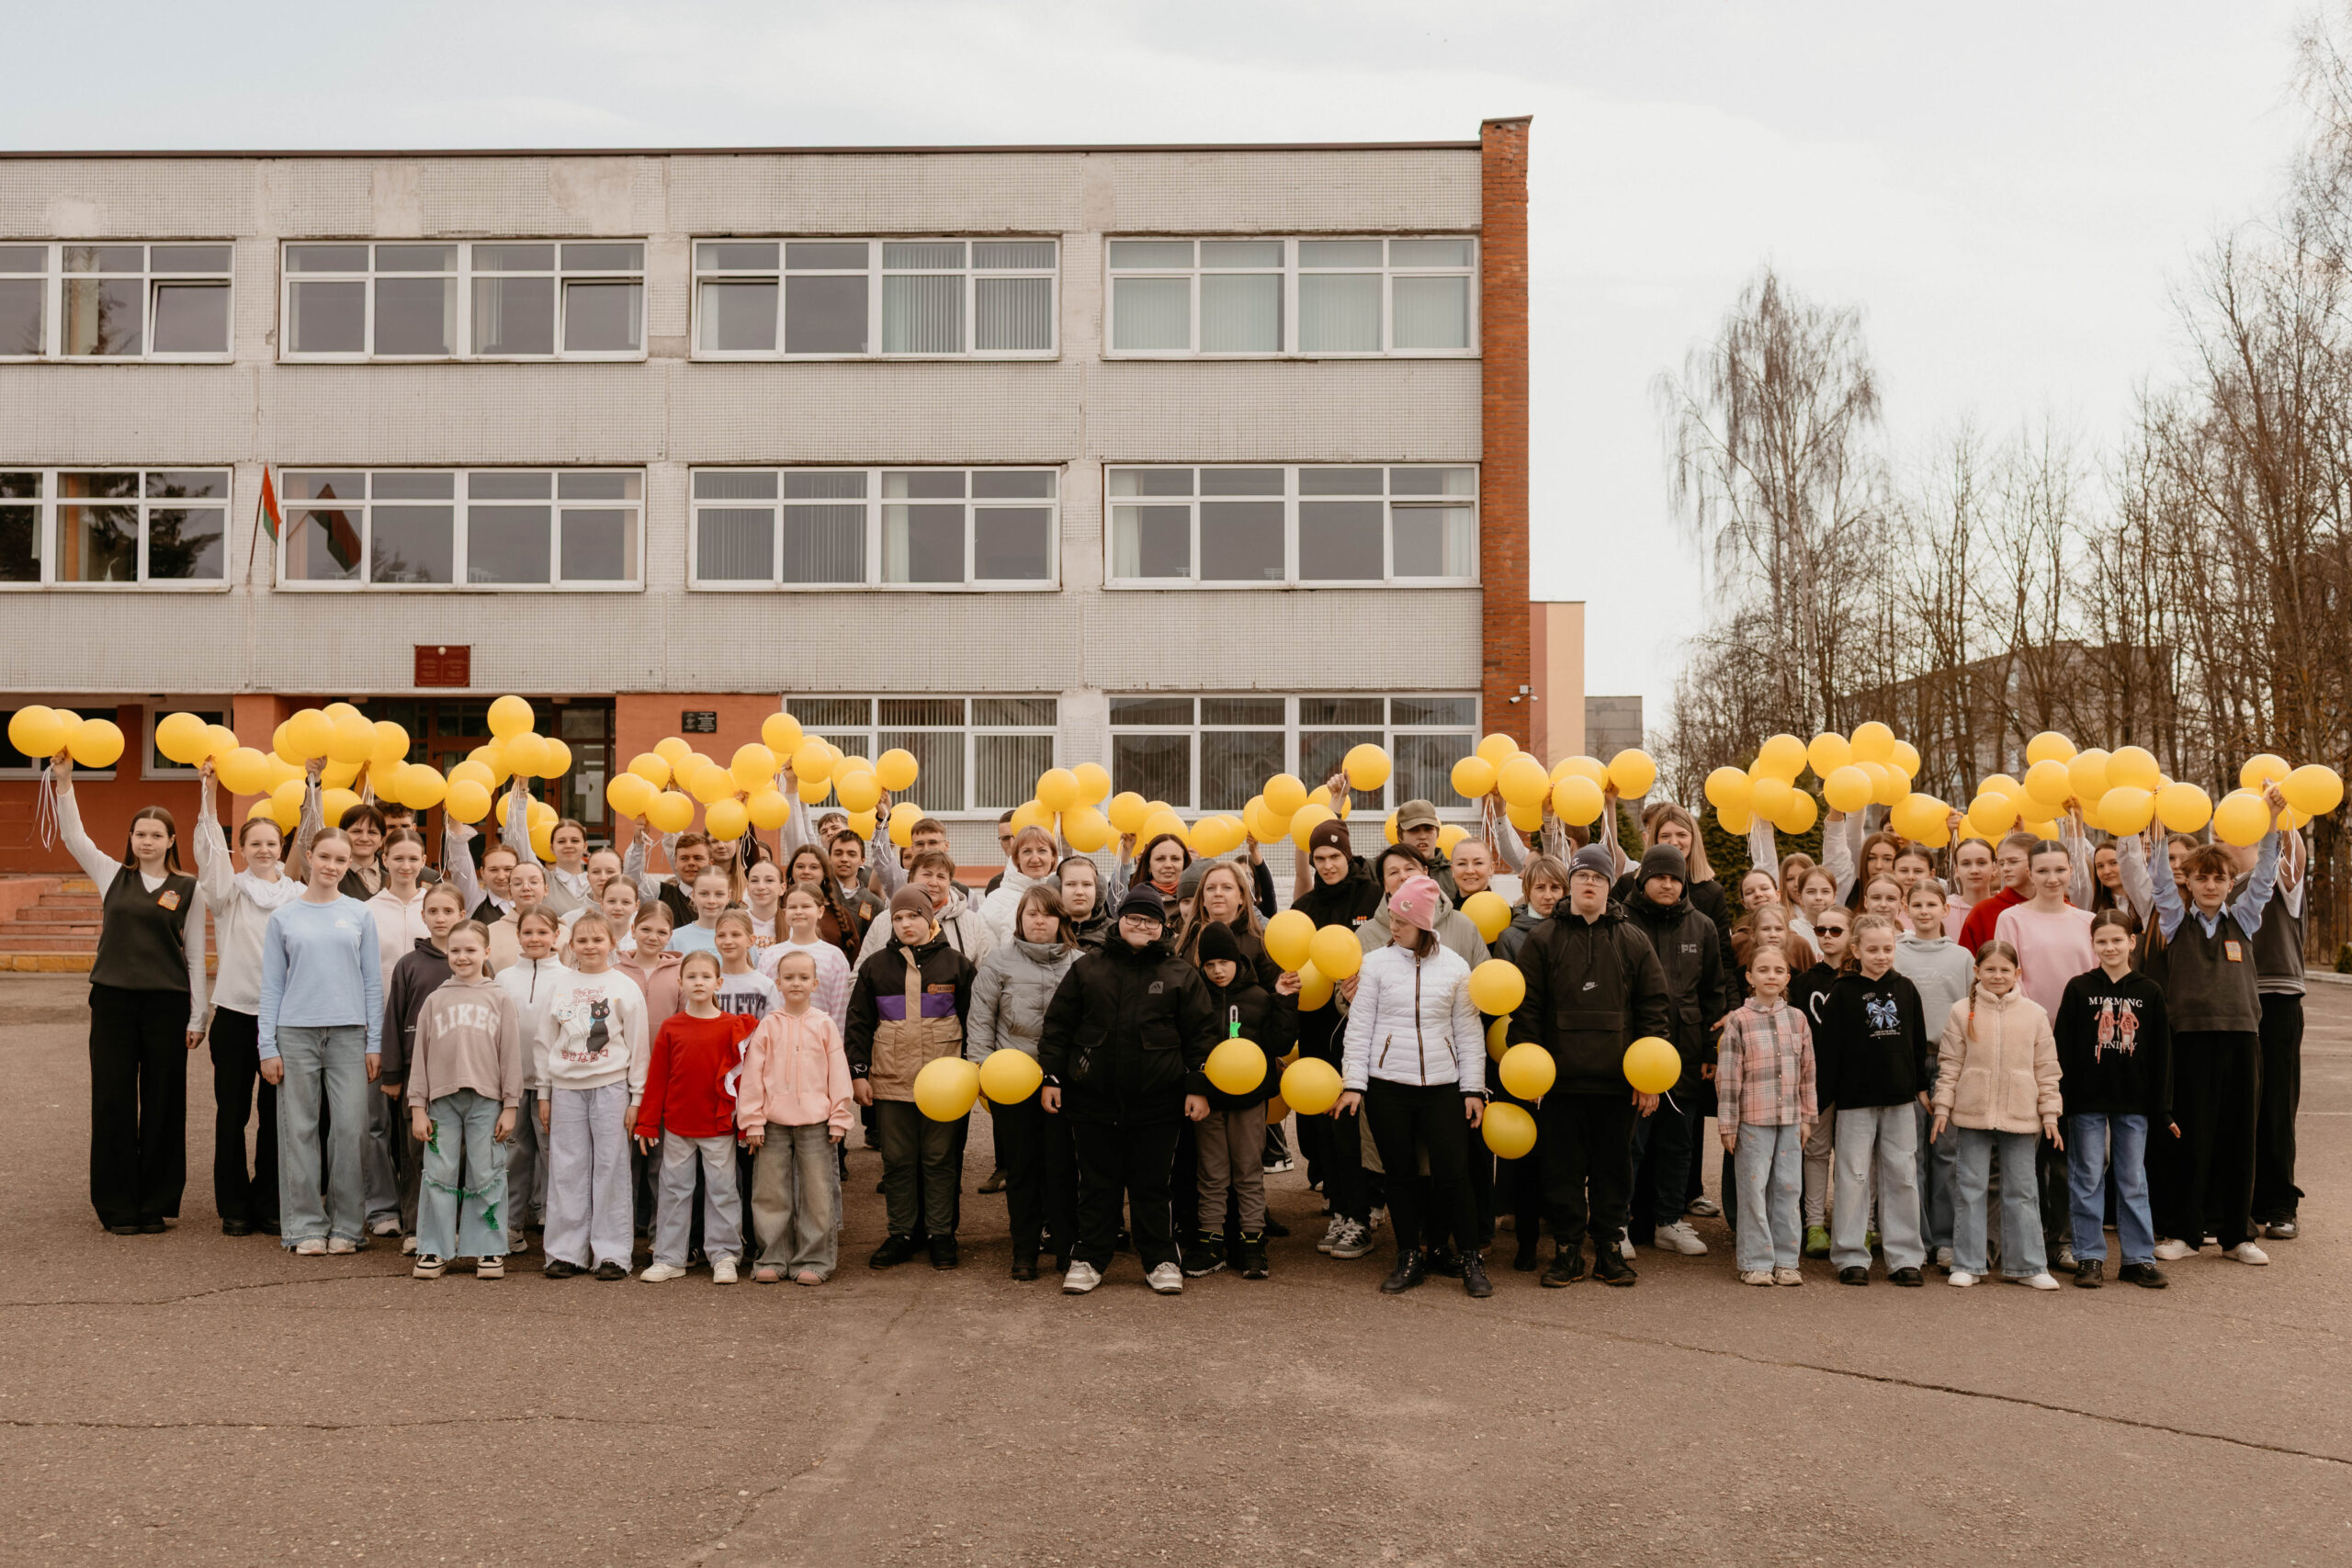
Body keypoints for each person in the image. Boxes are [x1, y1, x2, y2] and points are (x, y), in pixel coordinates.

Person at [49, 754, 207, 1236]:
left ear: (171, 841)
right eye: (141, 833)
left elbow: (197, 956)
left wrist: (199, 1016)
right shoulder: (110, 874)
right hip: (114, 1002)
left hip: (166, 1006)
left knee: (163, 1102)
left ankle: (154, 1202)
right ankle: (117, 1205)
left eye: (157, 834)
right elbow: (74, 835)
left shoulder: (189, 888)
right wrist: (65, 782)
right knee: (113, 1100)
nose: (148, 840)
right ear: (132, 839)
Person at [1039, 885, 1219, 1296]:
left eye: (1150, 920)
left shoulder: (1179, 973)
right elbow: (1058, 1027)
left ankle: (1160, 1259)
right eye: (1134, 918)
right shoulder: (1088, 967)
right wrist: (1052, 1077)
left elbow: (1201, 1036)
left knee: (1152, 1184)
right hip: (1092, 1099)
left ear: (1162, 926)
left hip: (1159, 1101)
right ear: (1119, 920)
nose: (1141, 926)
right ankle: (1089, 1257)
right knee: (1096, 1183)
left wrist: (1197, 1087)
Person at [1509, 844, 1670, 1288]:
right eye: (1582, 876)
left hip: (1617, 1083)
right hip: (1558, 1083)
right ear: (1572, 883)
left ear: (1607, 886)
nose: (1589, 884)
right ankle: (1566, 1251)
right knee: (1560, 1169)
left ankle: (1607, 1250)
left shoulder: (1632, 938)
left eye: (1598, 878)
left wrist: (1650, 1077)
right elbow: (1527, 1010)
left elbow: (1654, 1009)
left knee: (1613, 1170)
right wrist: (1529, 1069)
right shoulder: (1544, 938)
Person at [2143, 789, 2285, 1266]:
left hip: (2241, 1036)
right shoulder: (2174, 920)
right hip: (2189, 1040)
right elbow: (2160, 881)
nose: (2209, 885)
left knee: (2239, 1135)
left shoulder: (2243, 920)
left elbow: (2265, 877)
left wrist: (2272, 822)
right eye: (2200, 877)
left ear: (2229, 884)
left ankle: (2237, 1235)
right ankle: (2184, 1230)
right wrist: (2157, 830)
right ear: (2190, 881)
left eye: (2218, 878)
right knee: (2191, 1135)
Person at [1334, 875, 1490, 1297]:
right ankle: (1408, 1257)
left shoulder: (1456, 967)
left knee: (1454, 1175)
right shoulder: (1374, 965)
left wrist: (1473, 1090)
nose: (1392, 925)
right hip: (1389, 1088)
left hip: (1443, 1086)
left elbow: (1469, 1033)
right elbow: (1360, 1027)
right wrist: (1354, 1084)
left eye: (1400, 920)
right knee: (1399, 1176)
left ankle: (1470, 1258)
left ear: (1421, 923)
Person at [258, 828, 381, 1256]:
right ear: (309, 857)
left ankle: (348, 1226)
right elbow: (272, 986)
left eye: (341, 860)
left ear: (349, 864)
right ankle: (304, 1225)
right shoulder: (284, 917)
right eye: (324, 857)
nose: (331, 866)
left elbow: (371, 982)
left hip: (349, 1034)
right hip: (295, 1034)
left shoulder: (360, 914)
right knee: (299, 1131)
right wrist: (267, 1046)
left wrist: (375, 1042)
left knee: (349, 1131)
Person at [192, 768, 304, 1235]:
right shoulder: (227, 892)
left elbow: (315, 836)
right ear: (241, 849)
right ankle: (234, 1206)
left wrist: (312, 790)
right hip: (237, 1017)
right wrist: (210, 793)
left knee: (278, 1118)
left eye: (271, 843)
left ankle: (271, 1203)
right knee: (233, 1114)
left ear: (282, 849)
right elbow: (210, 853)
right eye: (254, 843)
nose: (263, 850)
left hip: (284, 1021)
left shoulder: (297, 894)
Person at [846, 886, 979, 1269]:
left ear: (930, 918)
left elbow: (975, 1021)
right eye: (899, 917)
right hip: (890, 1080)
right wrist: (858, 1074)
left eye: (914, 916)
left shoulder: (956, 964)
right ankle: (901, 1233)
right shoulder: (875, 966)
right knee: (899, 1160)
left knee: (939, 1159)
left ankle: (941, 1234)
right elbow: (857, 1024)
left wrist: (973, 1067)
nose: (906, 923)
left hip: (946, 1085)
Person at [1930, 940, 2063, 1290]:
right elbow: (1950, 1064)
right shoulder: (1961, 1011)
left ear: (2017, 973)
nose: (1997, 975)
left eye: (2005, 970)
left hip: (2021, 1115)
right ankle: (1968, 1263)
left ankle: (2029, 1264)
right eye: (1990, 969)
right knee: (1970, 1187)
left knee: (2022, 1190)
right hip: (1972, 1114)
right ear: (1977, 973)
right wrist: (1942, 1106)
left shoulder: (2035, 1014)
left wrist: (2050, 1113)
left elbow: (2047, 1069)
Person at [967, 884, 1084, 1278]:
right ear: (1019, 919)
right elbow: (981, 1021)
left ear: (1061, 920)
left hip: (1065, 1083)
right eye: (1031, 914)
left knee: (1063, 1168)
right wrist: (981, 1070)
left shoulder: (1081, 964)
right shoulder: (998, 963)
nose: (1039, 921)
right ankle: (1024, 1250)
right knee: (1021, 1169)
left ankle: (1068, 1247)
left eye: (1048, 914)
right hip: (1012, 1082)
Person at [2053, 908, 2173, 1289]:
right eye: (2102, 941)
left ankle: (2138, 1258)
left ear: (2131, 943)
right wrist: (2061, 1098)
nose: (2110, 947)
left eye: (2117, 940)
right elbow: (2064, 1048)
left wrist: (2162, 1105)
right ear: (2093, 945)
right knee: (2087, 1176)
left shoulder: (2149, 991)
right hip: (2086, 1101)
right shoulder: (2078, 988)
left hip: (2134, 1102)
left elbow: (2161, 1054)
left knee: (2133, 1178)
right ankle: (2089, 1256)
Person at [1619, 844, 1727, 1258]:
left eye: (1675, 877)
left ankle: (1668, 1221)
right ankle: (1620, 1223)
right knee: (1632, 1141)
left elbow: (1713, 992)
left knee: (1678, 1142)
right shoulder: (1621, 920)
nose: (1667, 884)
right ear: (1643, 878)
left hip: (1685, 1050)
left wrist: (1710, 1051)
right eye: (1659, 876)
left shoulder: (1701, 926)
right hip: (1636, 1053)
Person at [1814, 913, 1930, 1285]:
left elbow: (1917, 1043)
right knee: (1853, 1175)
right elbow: (1829, 1052)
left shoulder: (1907, 989)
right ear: (1856, 950)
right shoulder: (1843, 992)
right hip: (1855, 1101)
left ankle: (1905, 1257)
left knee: (1903, 1175)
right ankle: (1850, 1256)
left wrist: (1921, 1086)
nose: (1881, 956)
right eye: (1873, 949)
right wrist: (1821, 1101)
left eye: (1888, 948)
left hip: (1899, 1100)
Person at [404, 920, 523, 1280]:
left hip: (487, 1102)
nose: (462, 956)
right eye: (455, 950)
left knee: (487, 1174)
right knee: (438, 1175)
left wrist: (510, 1105)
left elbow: (510, 1054)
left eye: (471, 950)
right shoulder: (436, 999)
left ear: (486, 952)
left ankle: (487, 1249)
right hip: (441, 1102)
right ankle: (434, 1248)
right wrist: (418, 1108)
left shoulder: (499, 997)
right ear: (447, 953)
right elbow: (420, 1057)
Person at [536, 911, 650, 1280]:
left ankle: (613, 1253)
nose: (589, 946)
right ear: (571, 945)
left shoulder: (624, 986)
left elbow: (637, 1045)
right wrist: (544, 1092)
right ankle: (565, 1251)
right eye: (582, 940)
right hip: (567, 1087)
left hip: (611, 1086)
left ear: (612, 944)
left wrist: (637, 1097)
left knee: (612, 1167)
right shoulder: (559, 984)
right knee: (566, 1169)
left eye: (597, 940)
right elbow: (544, 1042)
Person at [637, 950, 760, 1284]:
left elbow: (745, 1080)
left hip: (718, 1126)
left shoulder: (732, 1027)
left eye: (706, 976)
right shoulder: (671, 1027)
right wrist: (647, 1122)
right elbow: (658, 1077)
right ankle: (670, 1257)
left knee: (723, 1190)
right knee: (674, 1190)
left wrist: (748, 1123)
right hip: (678, 1125)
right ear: (681, 983)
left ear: (718, 982)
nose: (699, 982)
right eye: (692, 977)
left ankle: (724, 1255)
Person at [1292, 819, 1384, 1260]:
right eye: (1320, 859)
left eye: (1335, 857)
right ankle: (1341, 1211)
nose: (1328, 865)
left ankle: (1362, 1214)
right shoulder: (1306, 905)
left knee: (1354, 1125)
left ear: (1348, 856)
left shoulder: (1374, 895)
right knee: (1326, 1126)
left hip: (1360, 1029)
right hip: (1316, 1031)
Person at [1189, 920, 1300, 1280]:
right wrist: (1199, 1088)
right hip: (1210, 1103)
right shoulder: (1195, 998)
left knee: (1249, 1173)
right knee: (1212, 1174)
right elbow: (1190, 1049)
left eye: (1224, 962)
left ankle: (1253, 1243)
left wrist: (1284, 999)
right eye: (1209, 965)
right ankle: (1210, 1243)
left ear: (1237, 959)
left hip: (1250, 1101)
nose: (1217, 970)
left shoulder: (1257, 997)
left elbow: (1279, 1043)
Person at [740, 949, 854, 1284]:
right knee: (770, 1192)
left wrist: (839, 1116)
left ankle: (815, 1259)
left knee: (817, 1193)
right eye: (789, 977)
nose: (796, 983)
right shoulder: (768, 1026)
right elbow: (752, 1076)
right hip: (773, 1124)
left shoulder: (824, 1024)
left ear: (815, 983)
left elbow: (838, 1072)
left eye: (804, 978)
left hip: (817, 1123)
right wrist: (752, 1120)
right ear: (777, 982)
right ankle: (773, 1256)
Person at [1715, 942, 1815, 1285]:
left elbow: (1808, 1072)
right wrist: (1728, 1125)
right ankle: (1756, 1261)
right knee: (1753, 1191)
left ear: (1787, 977)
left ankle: (1787, 1261)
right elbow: (1728, 1076)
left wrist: (1807, 1117)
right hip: (1752, 1122)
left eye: (1777, 970)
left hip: (1789, 1120)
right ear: (1749, 977)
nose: (1770, 976)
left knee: (1788, 1190)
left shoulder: (1798, 1019)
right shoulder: (1739, 1021)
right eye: (1763, 970)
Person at [377, 879, 470, 1246]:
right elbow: (395, 1019)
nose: (441, 917)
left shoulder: (475, 961)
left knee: (460, 1153)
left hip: (465, 1074)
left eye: (448, 911)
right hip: (418, 1077)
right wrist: (392, 1073)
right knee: (417, 1151)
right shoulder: (409, 964)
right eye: (433, 911)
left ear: (462, 915)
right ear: (423, 916)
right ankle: (418, 1227)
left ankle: (459, 1227)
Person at [1894, 879, 1973, 1270]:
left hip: (1948, 1060)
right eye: (1917, 904)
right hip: (1906, 1059)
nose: (1924, 911)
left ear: (1946, 909)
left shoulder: (1961, 957)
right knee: (1911, 1154)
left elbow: (1972, 1011)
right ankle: (1915, 1239)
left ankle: (1945, 1240)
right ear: (1905, 909)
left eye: (1932, 904)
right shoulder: (1894, 953)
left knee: (1947, 1152)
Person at [2246, 822, 2309, 1241]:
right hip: (2233, 1003)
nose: (2219, 840)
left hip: (2278, 998)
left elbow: (2297, 862)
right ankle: (2245, 1199)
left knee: (2276, 1104)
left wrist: (2281, 820)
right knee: (2241, 1105)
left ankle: (2281, 1203)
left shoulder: (2277, 882)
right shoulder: (2216, 885)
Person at [496, 905, 569, 1254]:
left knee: (554, 1155)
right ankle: (510, 1227)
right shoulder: (505, 978)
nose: (535, 938)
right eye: (528, 932)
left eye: (543, 932)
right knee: (513, 1155)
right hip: (511, 1083)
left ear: (556, 936)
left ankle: (560, 1230)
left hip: (552, 1086)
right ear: (518, 936)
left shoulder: (568, 978)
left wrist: (552, 1085)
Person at [1792, 905, 1850, 1258]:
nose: (1827, 936)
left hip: (1854, 1080)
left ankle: (1852, 1223)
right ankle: (1814, 1223)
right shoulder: (1804, 982)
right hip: (1816, 1079)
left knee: (1852, 1155)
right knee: (1814, 1152)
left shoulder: (1861, 981)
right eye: (1820, 929)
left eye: (1835, 931)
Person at [1995, 840, 2095, 1019]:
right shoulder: (2010, 919)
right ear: (2030, 874)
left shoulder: (2088, 921)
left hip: (2084, 1022)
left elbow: (2097, 975)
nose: (2052, 879)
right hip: (2029, 1025)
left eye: (2060, 870)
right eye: (2042, 871)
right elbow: (2008, 975)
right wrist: (2033, 1020)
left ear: (2071, 870)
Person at [855, 850, 992, 966]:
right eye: (927, 874)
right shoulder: (883, 922)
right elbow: (860, 977)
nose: (933, 883)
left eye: (941, 876)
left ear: (949, 882)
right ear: (911, 879)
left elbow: (985, 978)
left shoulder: (972, 923)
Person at [757, 884, 855, 1033]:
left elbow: (840, 1012)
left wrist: (835, 1047)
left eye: (806, 906)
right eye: (792, 907)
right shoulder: (770, 955)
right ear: (784, 913)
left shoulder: (834, 957)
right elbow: (762, 1006)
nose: (798, 912)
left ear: (820, 911)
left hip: (820, 1041)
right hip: (779, 1039)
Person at [1956, 831, 2038, 953]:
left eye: (2013, 861)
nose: (2005, 868)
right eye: (2001, 863)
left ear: (2036, 860)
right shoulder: (1982, 912)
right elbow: (1966, 966)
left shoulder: (2061, 907)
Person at [979, 824, 1060, 945]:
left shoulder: (1066, 893)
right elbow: (985, 951)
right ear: (1017, 858)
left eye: (1042, 850)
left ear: (1053, 857)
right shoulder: (996, 900)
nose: (1035, 859)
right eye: (1027, 851)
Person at [616, 902, 684, 1027]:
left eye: (662, 932)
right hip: (624, 1046)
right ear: (633, 930)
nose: (653, 937)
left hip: (668, 1046)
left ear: (670, 936)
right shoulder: (616, 973)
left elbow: (685, 1021)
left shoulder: (681, 974)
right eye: (646, 929)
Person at [711, 909, 780, 1021]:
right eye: (721, 935)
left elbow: (772, 1030)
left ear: (751, 941)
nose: (728, 941)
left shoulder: (765, 986)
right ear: (715, 940)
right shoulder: (707, 983)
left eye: (735, 935)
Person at [669, 867, 731, 960]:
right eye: (704, 894)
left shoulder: (740, 937)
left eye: (719, 894)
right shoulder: (674, 939)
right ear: (693, 895)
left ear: (728, 896)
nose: (711, 901)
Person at [1057, 855, 1112, 952]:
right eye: (1071, 884)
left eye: (1087, 884)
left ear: (1098, 889)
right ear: (1057, 889)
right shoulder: (1045, 931)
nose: (1079, 892)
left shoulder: (1116, 933)